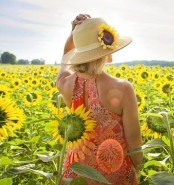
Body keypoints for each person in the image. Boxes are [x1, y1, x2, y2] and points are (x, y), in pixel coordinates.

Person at [56, 14, 143, 184]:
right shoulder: (123, 88)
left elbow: (64, 64)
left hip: (75, 175)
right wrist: (139, 170)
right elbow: (135, 147)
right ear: (106, 50)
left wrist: (73, 35)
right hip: (113, 174)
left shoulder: (66, 84)